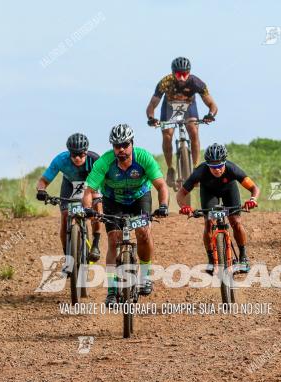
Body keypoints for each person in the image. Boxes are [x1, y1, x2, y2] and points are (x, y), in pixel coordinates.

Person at [80, 124, 169, 306]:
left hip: (140, 198)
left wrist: (163, 205)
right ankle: (112, 290)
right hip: (114, 200)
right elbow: (89, 191)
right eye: (117, 146)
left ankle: (145, 277)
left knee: (144, 232)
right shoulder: (104, 162)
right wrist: (89, 210)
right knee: (114, 239)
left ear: (132, 144)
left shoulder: (143, 158)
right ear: (112, 146)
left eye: (125, 145)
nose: (121, 149)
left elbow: (161, 186)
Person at [177, 143, 259, 272]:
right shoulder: (200, 171)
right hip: (209, 193)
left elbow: (254, 188)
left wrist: (252, 200)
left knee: (236, 222)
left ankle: (243, 256)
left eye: (220, 166)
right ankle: (211, 260)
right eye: (213, 167)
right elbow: (181, 194)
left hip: (229, 191)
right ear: (207, 164)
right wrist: (184, 207)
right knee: (209, 223)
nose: (217, 170)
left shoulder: (232, 169)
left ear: (225, 162)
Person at [145, 56, 218, 186]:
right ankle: (170, 168)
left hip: (189, 107)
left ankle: (195, 168)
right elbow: (152, 104)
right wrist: (151, 118)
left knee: (194, 131)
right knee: (167, 135)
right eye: (179, 74)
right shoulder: (165, 82)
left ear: (189, 73)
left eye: (185, 74)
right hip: (169, 108)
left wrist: (210, 115)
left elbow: (212, 104)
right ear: (173, 73)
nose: (182, 78)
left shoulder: (196, 82)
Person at [36, 133, 103, 263]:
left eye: (81, 154)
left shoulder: (95, 160)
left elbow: (105, 180)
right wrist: (41, 190)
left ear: (86, 152)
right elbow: (43, 181)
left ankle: (95, 244)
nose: (77, 158)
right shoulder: (61, 160)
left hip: (90, 184)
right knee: (65, 216)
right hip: (69, 185)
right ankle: (68, 258)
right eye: (74, 155)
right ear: (69, 153)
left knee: (96, 207)